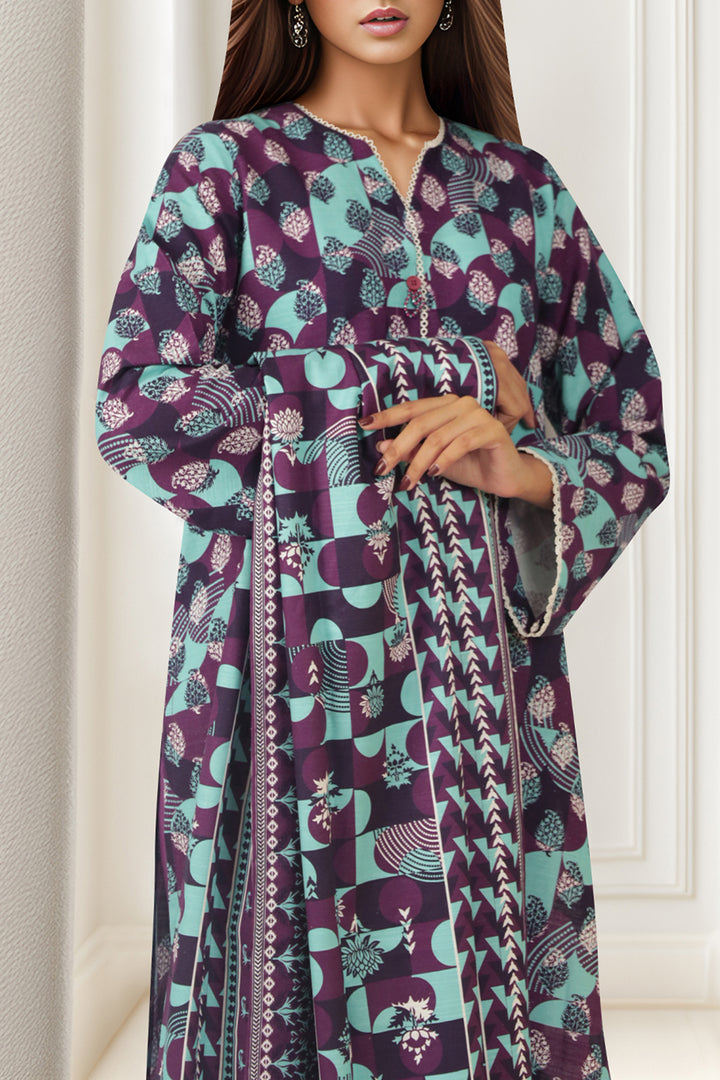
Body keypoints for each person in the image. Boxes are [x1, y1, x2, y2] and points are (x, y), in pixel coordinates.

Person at [94, 1, 669, 1077]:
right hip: (276, 669)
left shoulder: (522, 193)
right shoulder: (225, 172)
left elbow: (630, 429)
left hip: (485, 690)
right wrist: (456, 374)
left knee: (493, 990)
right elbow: (140, 409)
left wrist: (526, 469)